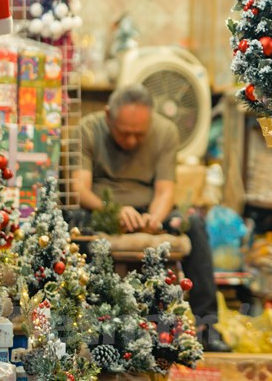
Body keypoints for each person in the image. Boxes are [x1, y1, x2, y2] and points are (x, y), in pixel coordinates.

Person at [73, 84, 229, 352]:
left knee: (195, 226)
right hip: (101, 209)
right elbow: (80, 189)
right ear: (109, 115)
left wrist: (153, 220)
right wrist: (112, 210)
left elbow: (165, 190)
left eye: (139, 134)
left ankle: (206, 326)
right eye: (125, 133)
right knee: (73, 222)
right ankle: (87, 325)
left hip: (150, 208)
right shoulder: (88, 129)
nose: (132, 141)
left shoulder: (165, 131)